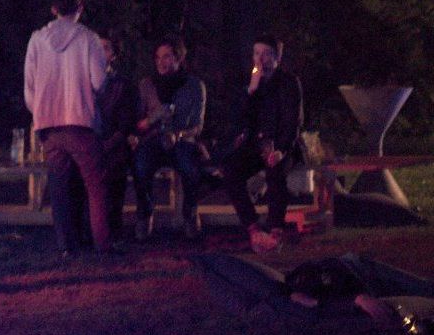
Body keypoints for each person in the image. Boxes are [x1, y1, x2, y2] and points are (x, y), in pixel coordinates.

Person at [24, 0, 113, 258]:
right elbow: (99, 83)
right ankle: (102, 244)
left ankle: (66, 246)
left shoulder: (37, 40)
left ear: (53, 9)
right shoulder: (88, 39)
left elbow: (29, 88)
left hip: (48, 125)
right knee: (95, 185)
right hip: (79, 122)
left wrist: (40, 111)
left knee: (59, 186)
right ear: (80, 8)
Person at [208, 36, 304, 251]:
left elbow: (292, 122)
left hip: (282, 143)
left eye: (266, 53)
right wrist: (250, 91)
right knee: (231, 169)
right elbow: (240, 119)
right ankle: (253, 227)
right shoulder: (252, 82)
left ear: (276, 57)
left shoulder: (288, 82)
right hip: (256, 144)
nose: (260, 59)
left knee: (275, 171)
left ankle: (275, 230)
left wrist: (281, 149)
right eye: (256, 53)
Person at [130, 40, 208, 239]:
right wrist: (152, 118)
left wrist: (179, 134)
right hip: (154, 138)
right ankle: (145, 214)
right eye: (158, 57)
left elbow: (198, 126)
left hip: (181, 139)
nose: (161, 62)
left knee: (190, 167)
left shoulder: (194, 86)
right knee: (140, 165)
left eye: (167, 56)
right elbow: (137, 124)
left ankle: (189, 214)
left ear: (179, 58)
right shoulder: (147, 85)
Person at [88, 47, 143, 244]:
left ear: (113, 55)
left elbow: (128, 117)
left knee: (116, 162)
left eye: (105, 48)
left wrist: (113, 140)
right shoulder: (83, 81)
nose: (99, 52)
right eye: (97, 47)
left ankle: (112, 227)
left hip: (115, 141)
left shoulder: (122, 84)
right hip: (88, 141)